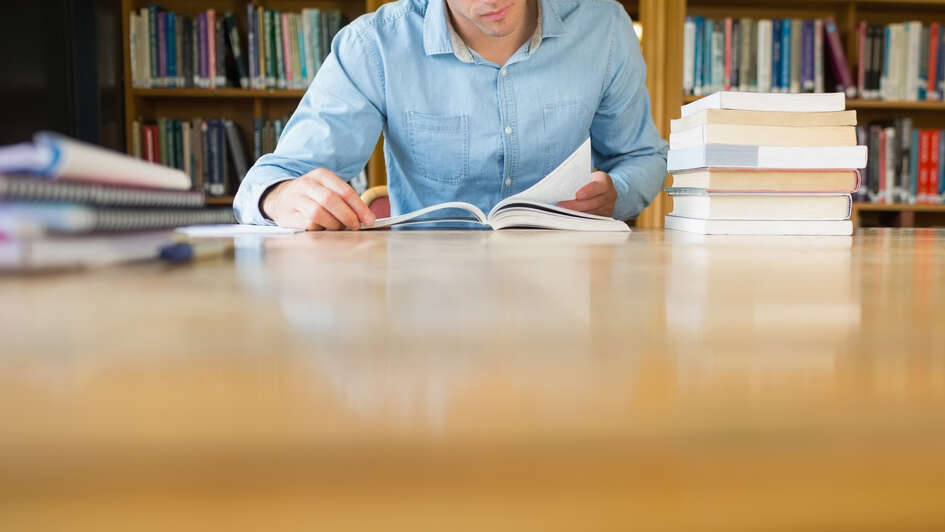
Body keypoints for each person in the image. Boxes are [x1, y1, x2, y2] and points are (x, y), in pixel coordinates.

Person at [234, 0, 668, 230]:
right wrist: (280, 197)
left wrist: (619, 192)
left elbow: (645, 156)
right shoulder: (376, 45)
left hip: (572, 293)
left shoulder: (605, 28)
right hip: (424, 301)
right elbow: (274, 176)